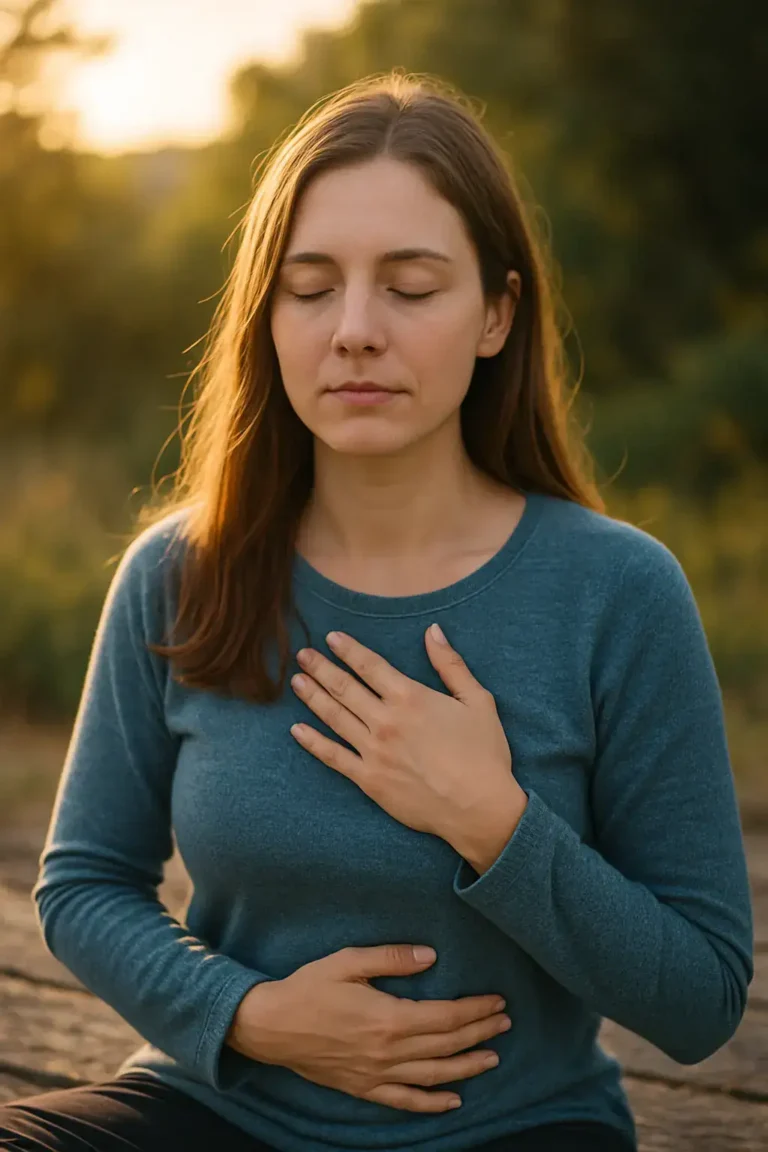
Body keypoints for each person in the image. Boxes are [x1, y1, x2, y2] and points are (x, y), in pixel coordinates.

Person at [0, 71, 753, 1152]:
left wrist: (492, 823)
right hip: (215, 1110)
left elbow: (702, 999)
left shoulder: (618, 592)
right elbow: (82, 886)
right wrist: (253, 1016)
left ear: (497, 313)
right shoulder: (179, 572)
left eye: (410, 287)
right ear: (266, 315)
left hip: (514, 1128)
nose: (354, 330)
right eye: (311, 288)